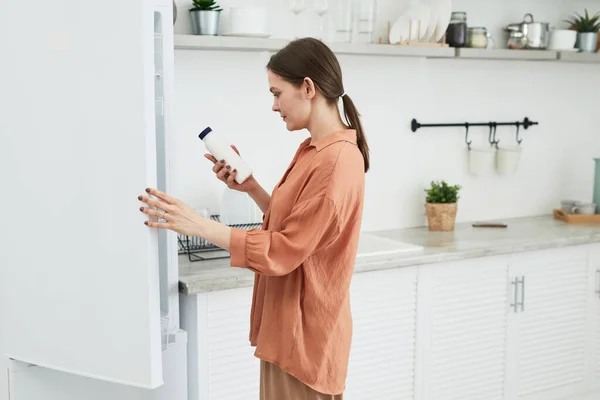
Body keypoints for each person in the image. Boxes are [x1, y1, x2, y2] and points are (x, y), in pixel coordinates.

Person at [138, 37, 369, 400]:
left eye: (277, 93)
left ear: (308, 87)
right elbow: (297, 224)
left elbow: (284, 249)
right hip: (291, 335)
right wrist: (251, 188)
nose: (274, 105)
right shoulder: (313, 149)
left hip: (305, 341)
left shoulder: (336, 161)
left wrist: (199, 225)